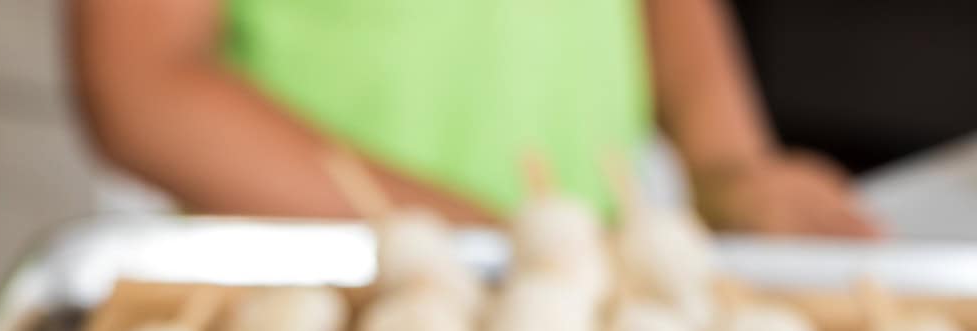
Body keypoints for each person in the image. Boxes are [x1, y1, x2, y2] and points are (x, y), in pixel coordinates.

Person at [69, 0, 877, 235]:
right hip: (323, 309)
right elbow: (143, 86)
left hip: (589, 283)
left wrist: (730, 164)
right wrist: (483, 242)